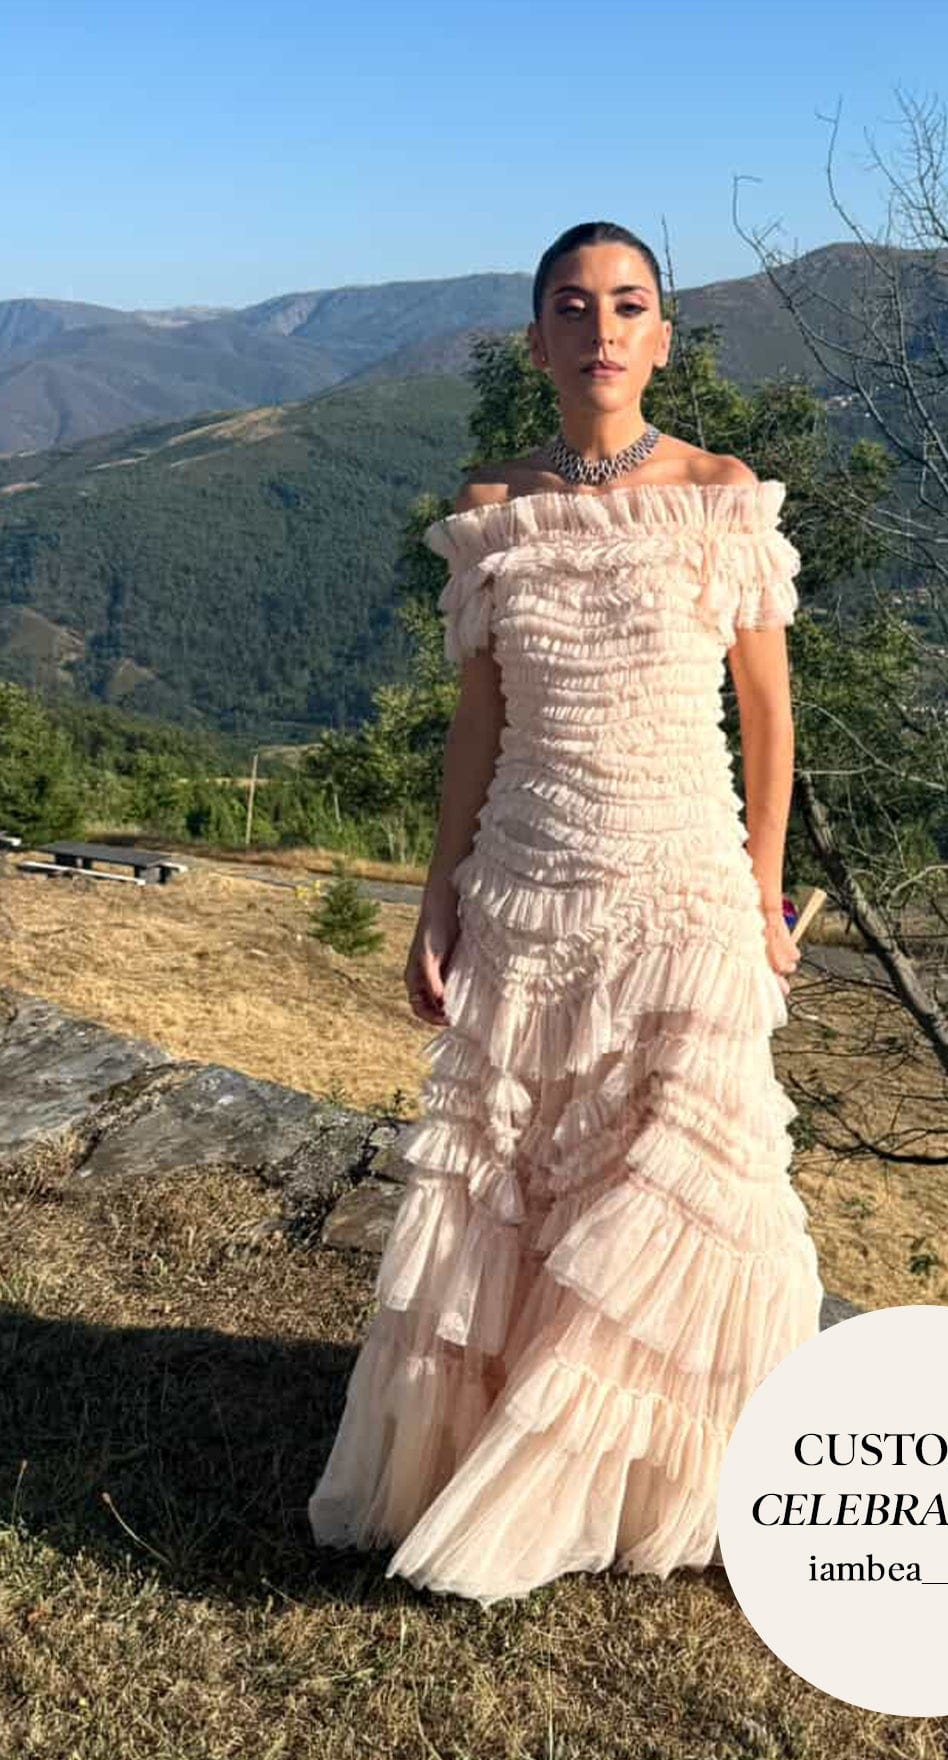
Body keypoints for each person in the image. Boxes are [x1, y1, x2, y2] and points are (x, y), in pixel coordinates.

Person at [307, 219, 824, 1604]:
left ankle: (648, 1480)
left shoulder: (721, 496)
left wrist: (765, 893)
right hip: (529, 882)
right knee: (522, 1183)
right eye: (574, 306)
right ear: (537, 339)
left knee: (682, 1192)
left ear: (663, 338)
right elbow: (476, 727)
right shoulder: (497, 506)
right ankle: (513, 1453)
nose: (602, 329)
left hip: (682, 887)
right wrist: (436, 898)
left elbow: (769, 721)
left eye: (628, 305)